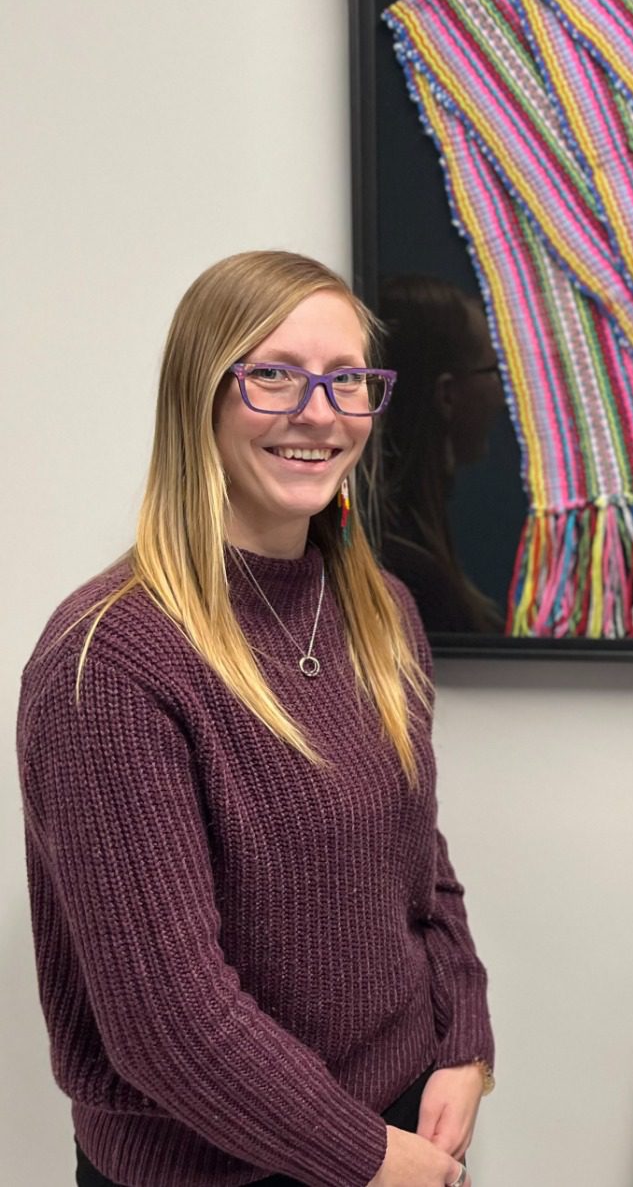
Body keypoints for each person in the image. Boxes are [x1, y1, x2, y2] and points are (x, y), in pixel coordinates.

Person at [17, 252, 494, 1187]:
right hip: (213, 1167)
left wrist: (466, 1043)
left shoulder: (381, 610)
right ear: (199, 396)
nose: (318, 412)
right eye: (273, 373)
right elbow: (168, 1021)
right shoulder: (107, 662)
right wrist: (366, 1158)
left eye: (347, 380)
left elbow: (421, 873)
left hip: (397, 1123)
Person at [374, 274, 505, 635]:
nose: (501, 396)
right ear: (446, 395)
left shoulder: (401, 553)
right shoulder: (412, 577)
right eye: (492, 373)